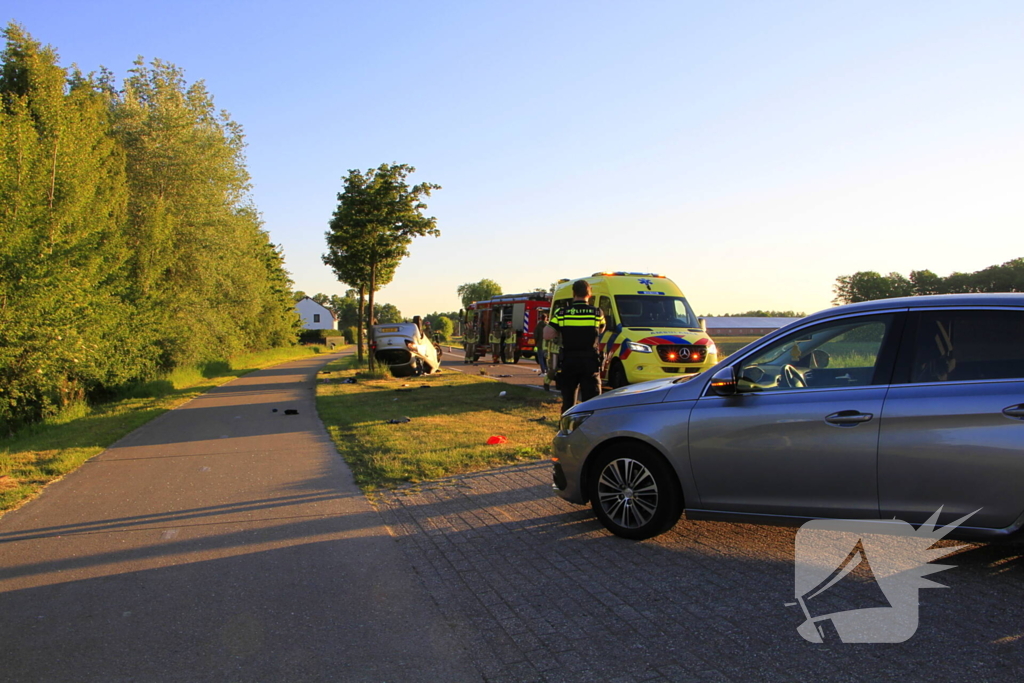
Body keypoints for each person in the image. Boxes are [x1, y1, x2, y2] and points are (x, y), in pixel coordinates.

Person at [545, 280, 605, 413]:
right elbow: (601, 330)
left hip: (569, 361)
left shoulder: (562, 313)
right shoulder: (597, 313)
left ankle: (567, 427)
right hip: (590, 362)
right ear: (589, 294)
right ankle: (589, 428)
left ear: (574, 293)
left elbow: (547, 334)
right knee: (591, 402)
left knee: (568, 400)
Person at [533, 311, 549, 378]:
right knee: (546, 359)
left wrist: (536, 342)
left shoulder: (538, 326)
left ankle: (543, 371)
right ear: (546, 318)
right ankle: (547, 371)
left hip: (540, 344)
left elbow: (535, 335)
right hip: (547, 345)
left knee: (541, 359)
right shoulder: (548, 325)